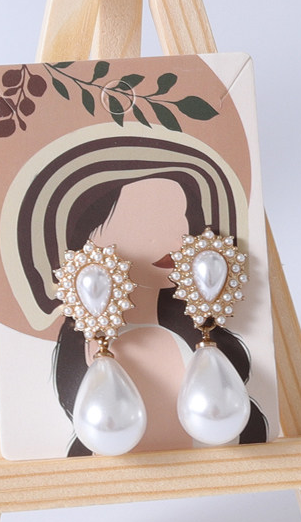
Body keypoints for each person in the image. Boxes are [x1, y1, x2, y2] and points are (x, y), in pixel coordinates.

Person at [51, 171, 268, 455]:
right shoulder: (146, 343)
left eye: (181, 215)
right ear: (89, 234)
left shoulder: (171, 338)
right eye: (144, 217)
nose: (175, 233)